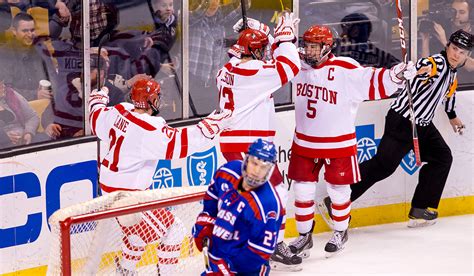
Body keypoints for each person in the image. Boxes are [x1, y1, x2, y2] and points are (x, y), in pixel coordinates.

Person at [286, 25, 416, 259]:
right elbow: (272, 63)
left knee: (338, 191)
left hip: (338, 143)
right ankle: (304, 236)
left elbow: (373, 80)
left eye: (314, 47)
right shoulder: (298, 65)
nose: (308, 51)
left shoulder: (345, 69)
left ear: (327, 48)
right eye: (306, 46)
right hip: (304, 142)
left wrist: (395, 74)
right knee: (302, 189)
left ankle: (340, 231)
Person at [324, 29, 473, 229]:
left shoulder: (452, 74)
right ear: (448, 47)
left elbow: (447, 95)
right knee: (383, 166)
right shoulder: (437, 63)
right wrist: (417, 72)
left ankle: (420, 208)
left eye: (462, 52)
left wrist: (452, 116)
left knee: (442, 157)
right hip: (403, 122)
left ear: (467, 56)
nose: (456, 54)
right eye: (454, 49)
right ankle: (335, 202)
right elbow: (424, 66)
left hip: (423, 125)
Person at [87, 78, 231, 275]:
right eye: (157, 97)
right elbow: (181, 145)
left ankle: (125, 271)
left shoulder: (119, 111)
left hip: (111, 189)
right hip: (129, 195)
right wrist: (211, 126)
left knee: (138, 234)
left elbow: (96, 119)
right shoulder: (148, 128)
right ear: (151, 100)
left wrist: (98, 98)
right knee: (174, 230)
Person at [216, 12, 302, 270]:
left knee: (260, 195)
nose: (266, 54)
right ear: (254, 53)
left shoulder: (228, 68)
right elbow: (289, 66)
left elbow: (258, 54)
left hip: (237, 141)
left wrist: (258, 28)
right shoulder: (255, 72)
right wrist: (286, 37)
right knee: (272, 193)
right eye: (261, 50)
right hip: (247, 145)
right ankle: (266, 246)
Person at [192, 138, 282, 275]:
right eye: (254, 163)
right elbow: (211, 201)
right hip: (218, 259)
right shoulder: (228, 172)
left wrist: (228, 267)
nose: (257, 171)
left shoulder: (268, 204)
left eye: (263, 167)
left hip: (246, 270)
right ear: (246, 159)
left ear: (270, 170)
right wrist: (205, 222)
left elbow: (260, 252)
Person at [188, 0, 247, 116]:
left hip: (215, 84)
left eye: (217, 1)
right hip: (194, 83)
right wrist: (207, 4)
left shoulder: (219, 20)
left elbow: (242, 6)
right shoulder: (191, 19)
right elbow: (196, 15)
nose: (214, 4)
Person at [420, 0, 474, 83]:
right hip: (441, 84)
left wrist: (445, 42)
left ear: (471, 15)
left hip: (465, 86)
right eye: (453, 11)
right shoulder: (443, 30)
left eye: (462, 12)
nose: (456, 16)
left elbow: (471, 67)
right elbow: (425, 67)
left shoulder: (443, 36)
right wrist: (425, 40)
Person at [2, 12, 52, 101]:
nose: (30, 35)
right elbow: (5, 91)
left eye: (32, 30)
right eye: (25, 31)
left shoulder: (41, 49)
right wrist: (34, 95)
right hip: (17, 107)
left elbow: (52, 76)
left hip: (45, 103)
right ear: (14, 31)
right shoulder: (4, 53)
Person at [335, 12, 399, 68]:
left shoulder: (339, 47)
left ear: (355, 31)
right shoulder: (379, 53)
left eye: (345, 28)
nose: (343, 32)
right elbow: (398, 66)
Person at [0, 79, 39, 149]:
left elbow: (32, 116)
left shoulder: (11, 94)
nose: (3, 86)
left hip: (23, 138)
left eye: (3, 83)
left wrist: (28, 133)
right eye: (0, 85)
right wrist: (4, 137)